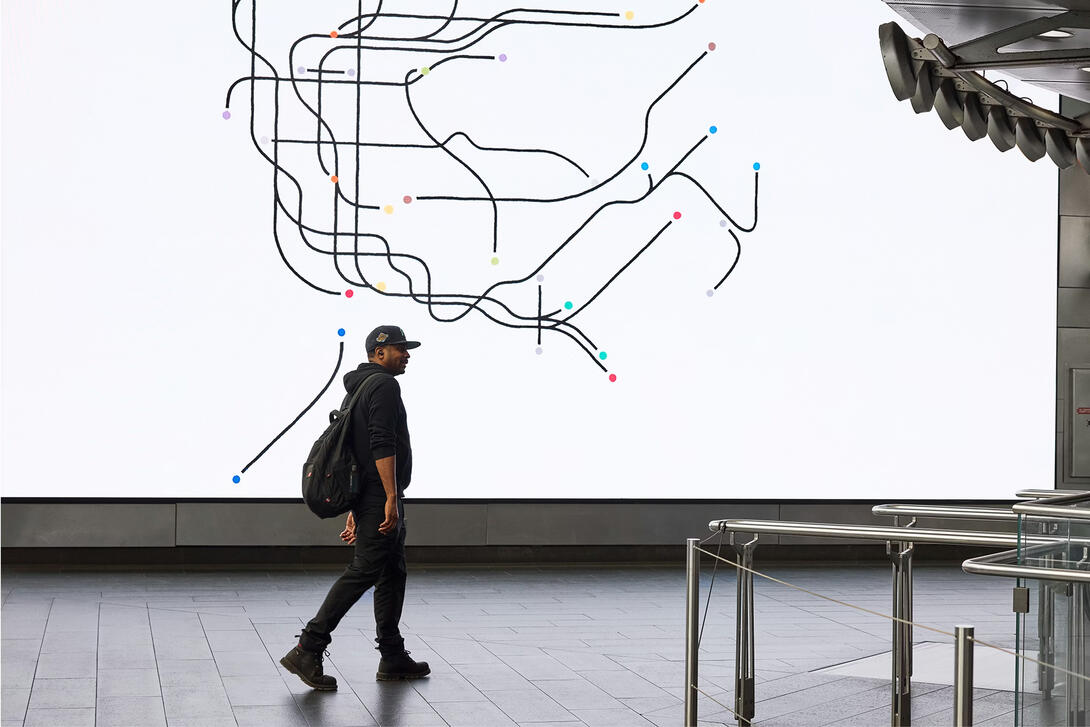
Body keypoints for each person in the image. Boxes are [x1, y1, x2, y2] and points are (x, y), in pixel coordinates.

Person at [280, 325, 430, 689]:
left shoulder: (358, 389)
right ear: (379, 353)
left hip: (371, 494)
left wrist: (359, 504)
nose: (407, 354)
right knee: (365, 570)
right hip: (381, 494)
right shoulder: (383, 385)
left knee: (392, 572)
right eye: (400, 349)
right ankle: (308, 647)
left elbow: (355, 452)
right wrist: (390, 496)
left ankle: (392, 655)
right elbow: (380, 443)